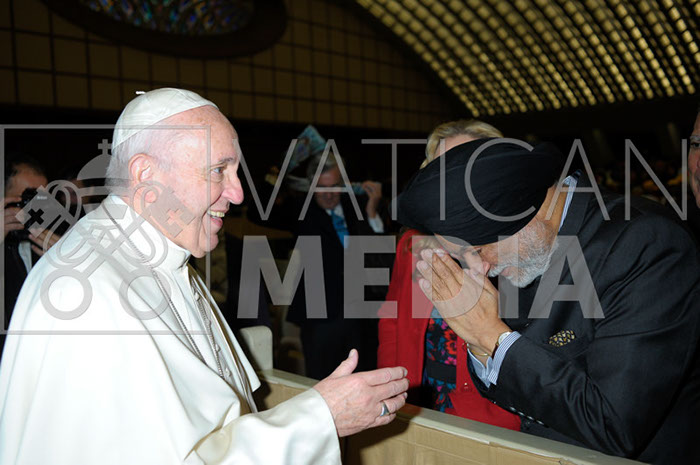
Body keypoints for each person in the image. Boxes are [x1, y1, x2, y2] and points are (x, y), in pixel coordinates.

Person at [0, 88, 409, 465]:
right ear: (145, 175)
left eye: (235, 172)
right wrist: (320, 418)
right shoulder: (86, 293)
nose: (238, 193)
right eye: (217, 170)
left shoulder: (166, 256)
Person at [397, 137, 700, 464]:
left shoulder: (646, 245)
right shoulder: (527, 247)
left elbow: (612, 426)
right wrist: (481, 343)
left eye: (478, 251)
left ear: (520, 214)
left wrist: (490, 336)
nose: (481, 269)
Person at [378, 120, 519, 429]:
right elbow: (392, 319)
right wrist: (389, 385)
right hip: (414, 402)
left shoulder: (515, 248)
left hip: (487, 413)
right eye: (441, 168)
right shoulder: (412, 242)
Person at [248, 150, 388, 380]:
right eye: (321, 188)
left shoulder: (358, 206)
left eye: (334, 186)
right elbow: (257, 213)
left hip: (361, 316)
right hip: (320, 317)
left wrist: (372, 212)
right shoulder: (300, 210)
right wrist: (277, 175)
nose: (329, 194)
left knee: (363, 380)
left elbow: (378, 256)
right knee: (322, 382)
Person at [2, 155, 61, 356]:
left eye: (41, 199)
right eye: (27, 198)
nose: (35, 208)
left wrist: (64, 263)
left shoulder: (52, 241)